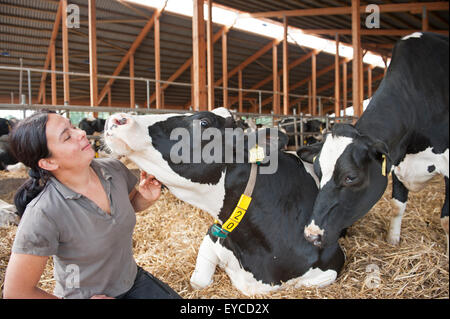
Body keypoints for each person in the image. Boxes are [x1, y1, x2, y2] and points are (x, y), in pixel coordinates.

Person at [3, 111, 181, 299]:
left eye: (73, 126)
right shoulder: (43, 213)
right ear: (48, 162)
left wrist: (146, 197)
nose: (80, 133)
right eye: (67, 136)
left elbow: (129, 205)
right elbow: (16, 292)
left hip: (132, 280)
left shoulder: (114, 169)